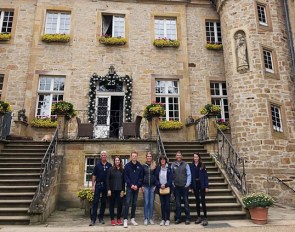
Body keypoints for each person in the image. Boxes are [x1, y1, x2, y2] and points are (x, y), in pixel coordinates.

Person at [89, 151, 112, 226]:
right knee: (95, 202)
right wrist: (93, 186)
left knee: (103, 202)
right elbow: (93, 176)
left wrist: (110, 188)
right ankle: (93, 219)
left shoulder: (109, 165)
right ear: (100, 156)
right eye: (102, 155)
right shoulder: (97, 165)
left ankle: (101, 218)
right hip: (98, 185)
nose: (103, 156)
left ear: (106, 156)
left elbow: (111, 177)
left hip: (106, 186)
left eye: (104, 155)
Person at [123, 151, 143, 228]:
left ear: (137, 157)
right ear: (131, 157)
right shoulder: (127, 166)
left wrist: (137, 185)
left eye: (135, 156)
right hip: (129, 187)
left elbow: (141, 177)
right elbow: (126, 177)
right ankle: (125, 219)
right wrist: (131, 185)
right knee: (127, 203)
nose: (134, 157)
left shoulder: (140, 166)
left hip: (136, 188)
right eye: (133, 156)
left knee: (134, 203)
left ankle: (132, 219)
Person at [171, 151, 191, 225]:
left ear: (182, 157)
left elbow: (189, 175)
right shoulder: (173, 165)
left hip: (184, 187)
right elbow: (171, 175)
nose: (178, 156)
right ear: (175, 157)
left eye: (180, 155)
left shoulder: (186, 165)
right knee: (178, 204)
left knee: (186, 203)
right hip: (176, 187)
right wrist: (173, 183)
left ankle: (187, 218)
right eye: (177, 155)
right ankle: (178, 218)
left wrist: (187, 184)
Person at [189, 153, 209, 226]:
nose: (195, 158)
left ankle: (205, 218)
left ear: (199, 157)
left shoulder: (202, 165)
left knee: (203, 201)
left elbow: (205, 176)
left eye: (197, 157)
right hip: (195, 185)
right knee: (197, 201)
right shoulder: (191, 165)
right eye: (194, 157)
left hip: (202, 184)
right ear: (193, 158)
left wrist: (206, 186)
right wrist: (191, 187)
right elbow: (190, 176)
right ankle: (198, 217)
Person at [155, 155, 173, 226]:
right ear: (160, 161)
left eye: (164, 160)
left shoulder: (169, 168)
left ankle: (167, 219)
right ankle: (163, 219)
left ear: (165, 161)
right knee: (162, 204)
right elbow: (155, 178)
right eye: (161, 160)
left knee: (167, 205)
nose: (162, 161)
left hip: (167, 188)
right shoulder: (158, 168)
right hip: (160, 189)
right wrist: (159, 185)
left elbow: (171, 178)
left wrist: (165, 185)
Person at [106, 156, 125, 226]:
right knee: (111, 205)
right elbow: (107, 180)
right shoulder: (110, 169)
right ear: (114, 161)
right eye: (116, 160)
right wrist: (108, 189)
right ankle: (112, 219)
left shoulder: (122, 170)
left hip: (119, 190)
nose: (117, 161)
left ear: (120, 161)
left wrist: (123, 190)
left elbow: (123, 181)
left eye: (118, 160)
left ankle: (119, 219)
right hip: (112, 190)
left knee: (120, 205)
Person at [142, 151, 156, 225]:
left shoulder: (154, 165)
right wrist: (142, 186)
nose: (149, 157)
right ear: (146, 157)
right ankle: (145, 218)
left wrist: (156, 186)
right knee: (146, 203)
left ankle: (150, 218)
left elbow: (156, 176)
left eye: (150, 156)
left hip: (152, 187)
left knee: (151, 203)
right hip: (146, 186)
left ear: (151, 157)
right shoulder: (143, 166)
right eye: (148, 156)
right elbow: (141, 176)